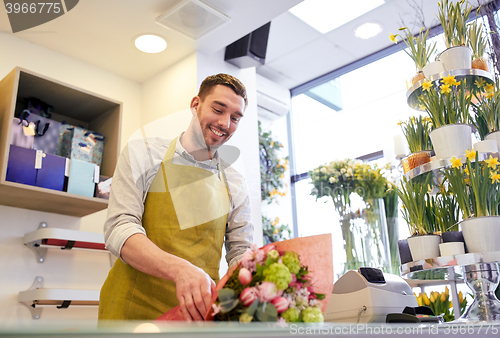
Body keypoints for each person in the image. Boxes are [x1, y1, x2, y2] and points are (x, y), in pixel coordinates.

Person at [98, 74, 254, 321]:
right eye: (218, 109)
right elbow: (120, 228)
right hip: (131, 309)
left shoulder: (235, 182)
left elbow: (240, 251)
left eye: (235, 118)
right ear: (195, 105)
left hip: (195, 316)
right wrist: (180, 270)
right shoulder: (145, 154)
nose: (226, 123)